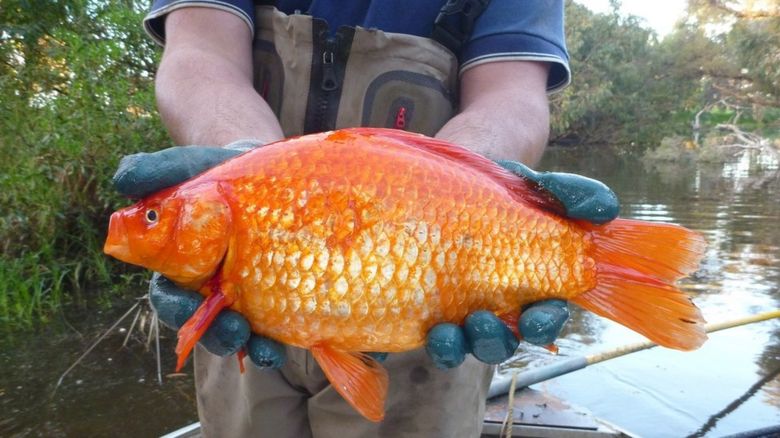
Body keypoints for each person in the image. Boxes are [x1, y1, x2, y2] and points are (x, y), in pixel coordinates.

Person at [112, 1, 614, 436]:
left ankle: (599, 265)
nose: (138, 224)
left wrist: (462, 192)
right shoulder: (232, 211)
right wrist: (239, 158)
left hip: (429, 304)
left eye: (155, 216)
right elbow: (200, 53)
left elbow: (511, 94)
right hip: (240, 329)